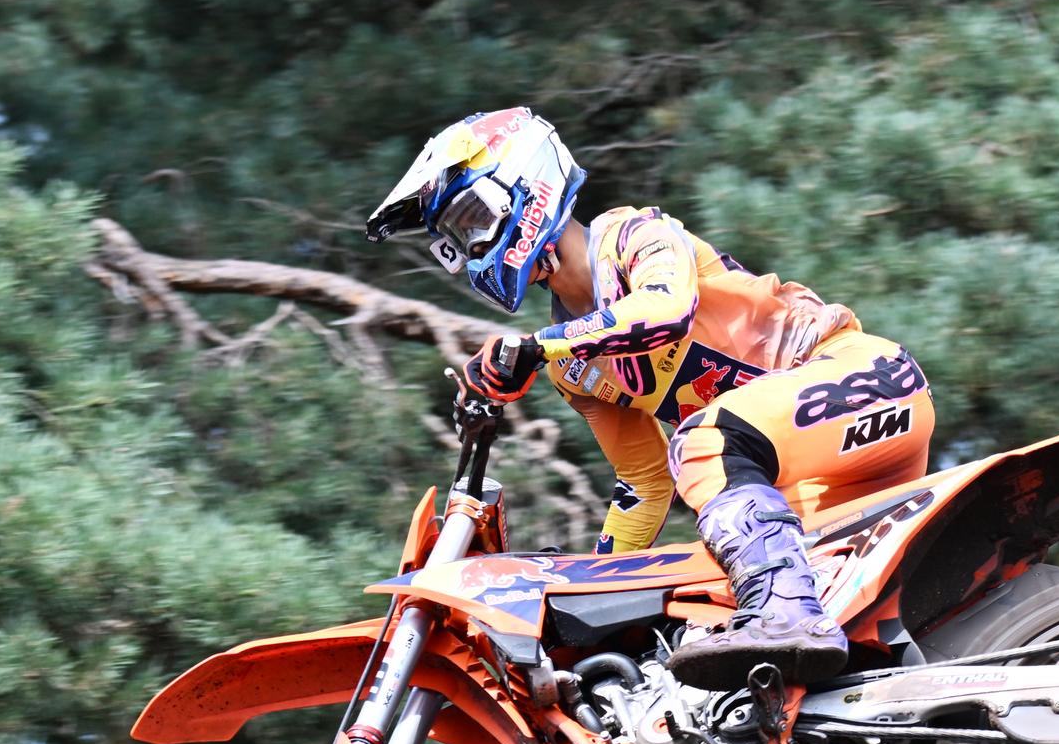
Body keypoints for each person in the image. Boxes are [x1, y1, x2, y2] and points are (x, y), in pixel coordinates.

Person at [366, 106, 935, 690]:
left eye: (473, 218)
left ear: (523, 185)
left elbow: (664, 310)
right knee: (766, 625)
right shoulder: (577, 368)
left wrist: (538, 346)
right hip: (814, 466)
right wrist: (590, 595)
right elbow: (641, 484)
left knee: (704, 444)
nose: (472, 243)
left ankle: (785, 616)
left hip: (865, 377)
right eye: (457, 238)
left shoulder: (635, 236)